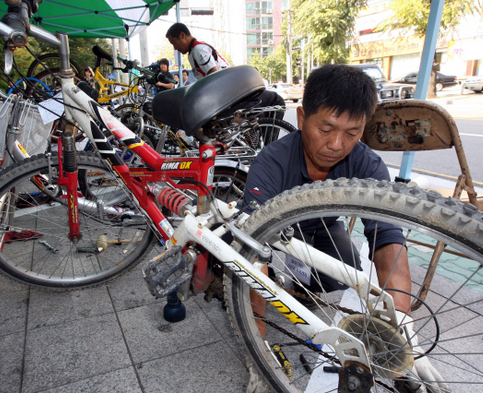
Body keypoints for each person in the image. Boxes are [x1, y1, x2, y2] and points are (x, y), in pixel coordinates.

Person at [242, 64, 447, 390]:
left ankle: (299, 282)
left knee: (344, 274)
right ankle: (277, 293)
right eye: (326, 129)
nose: (337, 144)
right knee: (247, 262)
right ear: (301, 117)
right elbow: (249, 248)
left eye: (352, 132)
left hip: (323, 230)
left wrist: (403, 323)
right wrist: (259, 350)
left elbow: (388, 238)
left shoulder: (368, 164)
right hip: (280, 239)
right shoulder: (272, 161)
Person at [166, 22, 284, 119]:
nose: (175, 48)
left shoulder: (198, 49)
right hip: (229, 92)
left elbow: (214, 75)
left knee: (276, 102)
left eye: (173, 43)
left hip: (232, 90)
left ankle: (266, 145)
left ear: (182, 35)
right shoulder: (193, 51)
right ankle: (264, 144)